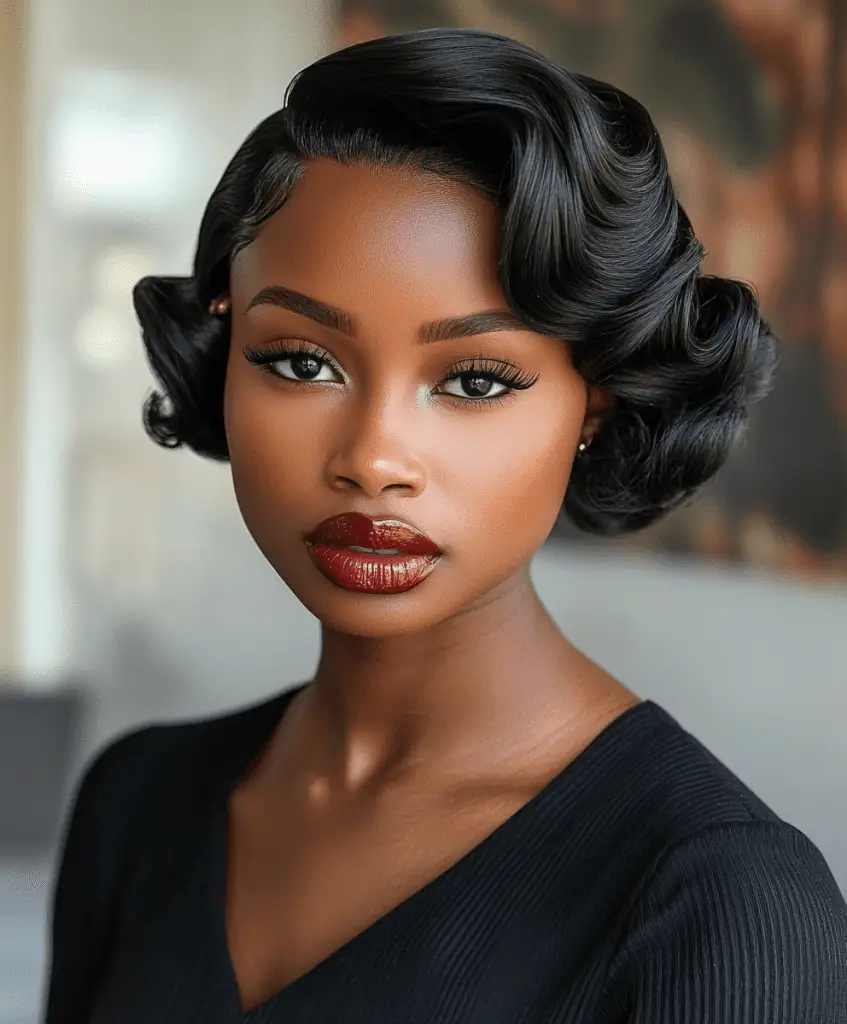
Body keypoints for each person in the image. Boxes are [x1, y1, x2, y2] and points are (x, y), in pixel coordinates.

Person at [43, 26, 847, 1024]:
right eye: (301, 361)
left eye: (473, 380)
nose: (373, 457)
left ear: (591, 405)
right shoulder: (137, 803)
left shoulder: (721, 901)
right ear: (224, 342)